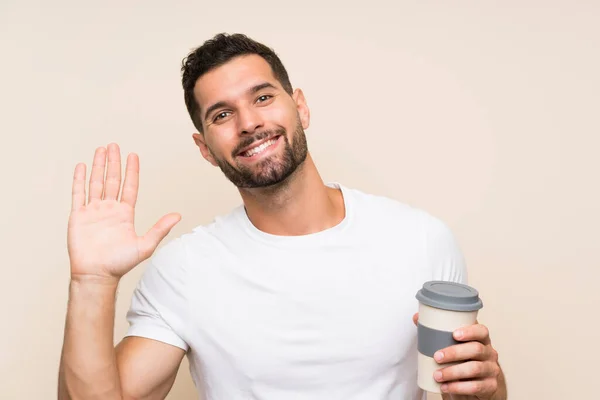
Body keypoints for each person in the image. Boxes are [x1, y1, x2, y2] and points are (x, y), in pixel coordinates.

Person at [58, 33, 507, 400]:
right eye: (222, 114)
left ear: (301, 107)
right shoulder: (185, 271)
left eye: (263, 97)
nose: (249, 122)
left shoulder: (421, 240)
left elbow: (461, 389)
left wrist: (490, 390)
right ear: (205, 149)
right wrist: (92, 283)